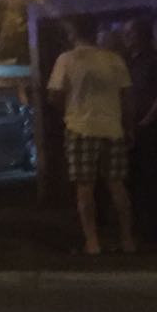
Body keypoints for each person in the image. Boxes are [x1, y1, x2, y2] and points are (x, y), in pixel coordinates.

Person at [48, 14, 135, 255]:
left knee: (84, 186)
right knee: (117, 185)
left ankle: (93, 241)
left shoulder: (66, 59)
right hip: (112, 128)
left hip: (80, 128)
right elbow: (127, 97)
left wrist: (70, 109)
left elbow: (54, 95)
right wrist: (129, 127)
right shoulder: (114, 59)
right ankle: (127, 239)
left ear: (73, 33)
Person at [122, 17, 157, 242]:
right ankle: (139, 226)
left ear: (142, 34)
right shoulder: (128, 63)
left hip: (150, 128)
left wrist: (148, 119)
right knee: (132, 177)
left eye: (130, 32)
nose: (126, 37)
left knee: (153, 175)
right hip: (131, 127)